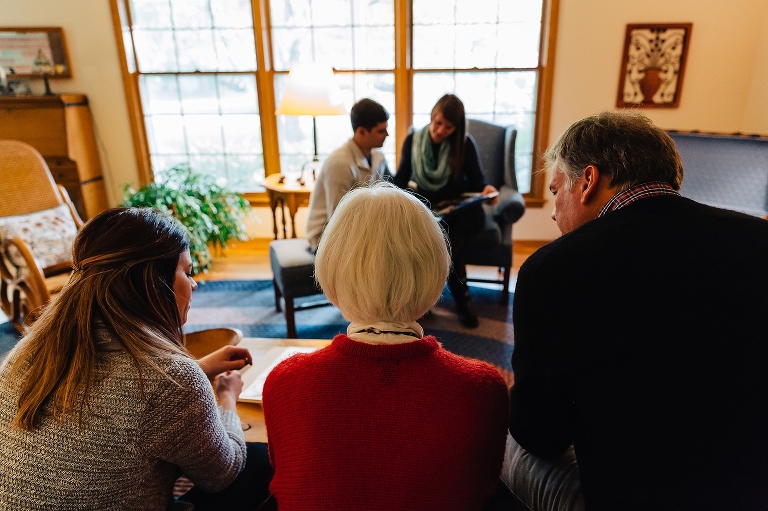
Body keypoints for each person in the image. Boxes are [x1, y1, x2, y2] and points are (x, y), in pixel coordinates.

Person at [507, 111, 768, 510]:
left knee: (503, 441)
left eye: (557, 190)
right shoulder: (759, 240)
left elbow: (540, 434)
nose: (555, 212)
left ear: (588, 182)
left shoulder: (554, 270)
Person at [0, 207, 272, 510]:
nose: (194, 284)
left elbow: (112, 397)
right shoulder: (169, 380)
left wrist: (201, 367)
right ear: (155, 282)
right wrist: (226, 397)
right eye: (188, 272)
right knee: (259, 459)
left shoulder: (26, 352)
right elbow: (221, 474)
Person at [263, 183, 510, 511]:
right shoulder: (483, 389)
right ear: (435, 269)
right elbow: (484, 487)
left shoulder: (284, 383)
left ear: (332, 270)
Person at [393, 93, 498, 328]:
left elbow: (478, 180)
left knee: (449, 232)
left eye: (448, 127)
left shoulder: (464, 144)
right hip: (429, 208)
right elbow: (401, 178)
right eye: (438, 123)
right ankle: (463, 301)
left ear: (456, 128)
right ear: (432, 116)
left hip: (460, 211)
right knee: (446, 236)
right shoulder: (413, 141)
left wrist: (487, 188)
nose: (440, 130)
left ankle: (424, 298)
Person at [306, 97, 392, 252]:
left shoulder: (379, 157)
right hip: (327, 236)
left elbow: (392, 189)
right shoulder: (339, 163)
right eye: (381, 130)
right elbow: (338, 219)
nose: (387, 134)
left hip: (361, 228)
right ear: (361, 132)